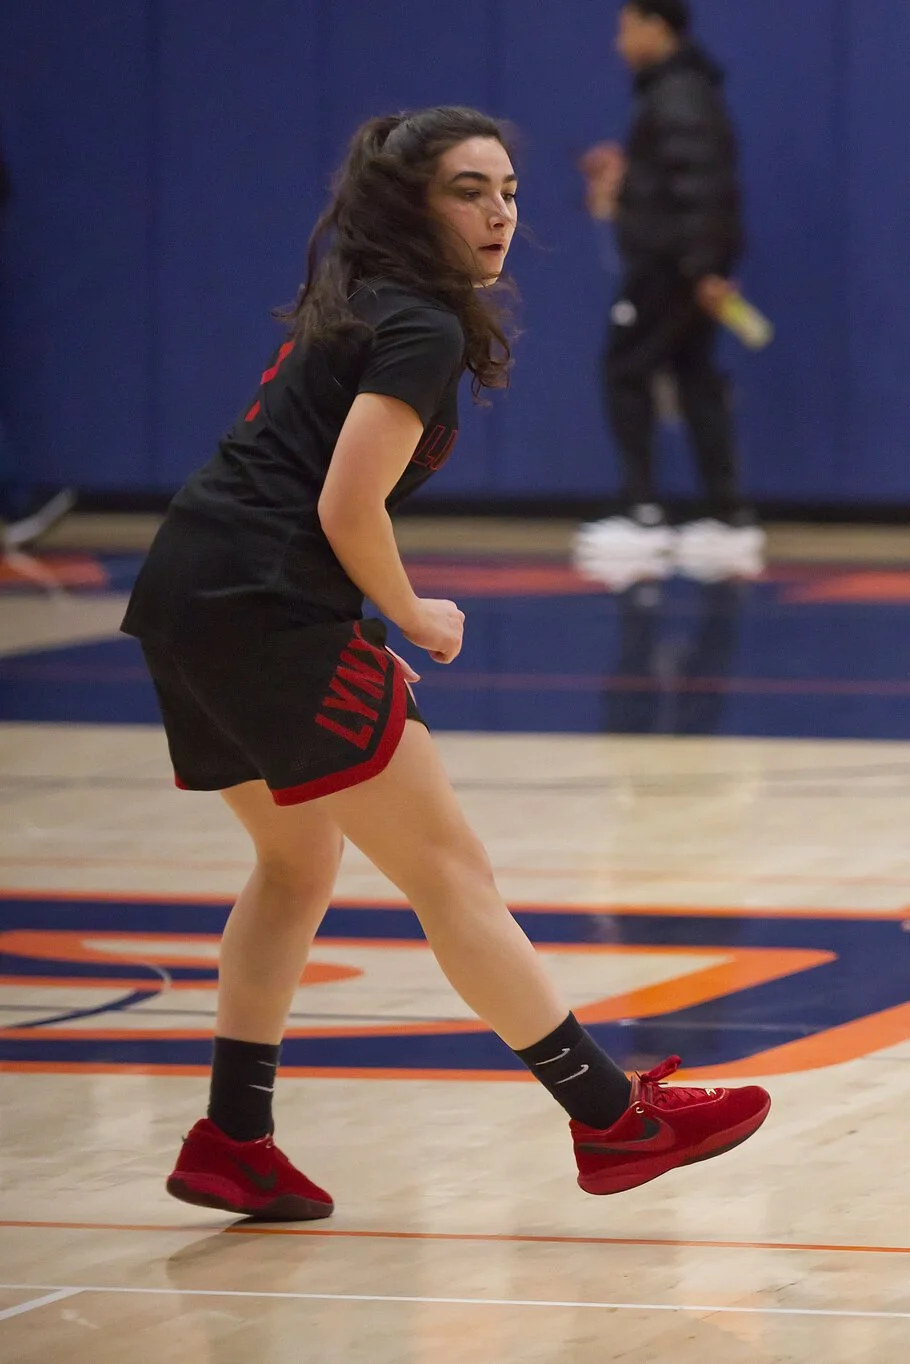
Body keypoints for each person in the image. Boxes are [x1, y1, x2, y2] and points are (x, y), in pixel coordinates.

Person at [118, 106, 771, 1221]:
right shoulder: (416, 322)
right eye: (471, 189)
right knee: (451, 873)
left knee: (295, 867)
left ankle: (234, 1136)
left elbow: (300, 491)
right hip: (265, 605)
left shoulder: (365, 303)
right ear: (410, 204)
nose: (500, 210)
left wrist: (355, 624)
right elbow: (343, 502)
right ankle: (612, 1118)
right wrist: (407, 611)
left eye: (510, 188)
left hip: (191, 594)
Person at [577, 0, 762, 574]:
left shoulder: (677, 93)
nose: (618, 41)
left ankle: (641, 512)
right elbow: (679, 179)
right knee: (693, 374)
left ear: (657, 28)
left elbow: (701, 185)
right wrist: (627, 183)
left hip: (669, 266)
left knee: (626, 367)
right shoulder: (679, 92)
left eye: (626, 27)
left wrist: (703, 266)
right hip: (684, 262)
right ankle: (728, 517)